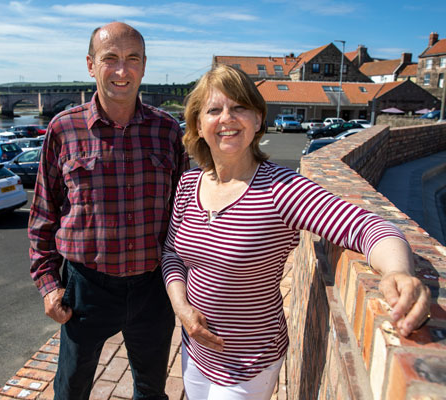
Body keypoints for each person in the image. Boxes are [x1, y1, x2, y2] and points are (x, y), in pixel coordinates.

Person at [161, 64, 431, 400]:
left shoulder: (282, 189)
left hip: (249, 364)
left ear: (258, 119)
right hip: (196, 349)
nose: (227, 118)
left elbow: (371, 227)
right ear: (199, 126)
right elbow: (172, 254)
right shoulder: (188, 185)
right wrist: (181, 306)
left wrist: (399, 272)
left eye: (239, 107)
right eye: (214, 110)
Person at [28, 22, 189, 400]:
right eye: (110, 59)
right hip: (86, 288)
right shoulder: (62, 129)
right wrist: (48, 285)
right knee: (71, 389)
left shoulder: (167, 129)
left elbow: (184, 212)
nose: (122, 70)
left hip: (153, 287)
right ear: (90, 65)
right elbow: (42, 215)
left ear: (145, 66)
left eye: (132, 59)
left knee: (151, 391)